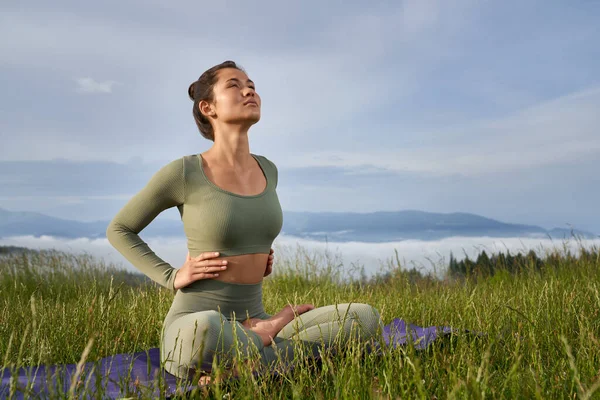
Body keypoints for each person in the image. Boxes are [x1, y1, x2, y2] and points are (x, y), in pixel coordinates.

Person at [106, 61, 383, 381]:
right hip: (197, 327)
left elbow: (247, 232)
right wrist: (171, 276)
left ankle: (243, 365)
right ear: (208, 107)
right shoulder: (184, 172)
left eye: (251, 84)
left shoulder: (268, 169)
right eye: (234, 86)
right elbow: (120, 229)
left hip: (255, 317)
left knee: (364, 318)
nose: (249, 90)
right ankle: (271, 343)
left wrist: (257, 254)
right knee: (205, 330)